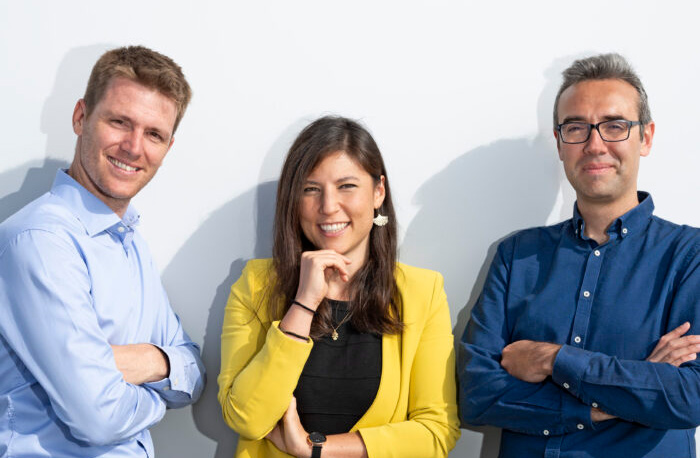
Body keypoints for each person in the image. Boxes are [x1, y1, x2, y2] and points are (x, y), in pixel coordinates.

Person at [459, 53, 700, 457]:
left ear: (646, 137)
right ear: (559, 143)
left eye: (615, 126)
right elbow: (476, 395)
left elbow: (689, 396)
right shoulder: (515, 256)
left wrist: (554, 359)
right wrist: (618, 398)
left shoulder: (690, 256)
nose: (594, 145)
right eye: (576, 128)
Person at [0, 45, 205, 457]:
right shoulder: (40, 241)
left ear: (168, 147)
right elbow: (99, 418)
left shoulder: (130, 243)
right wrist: (157, 398)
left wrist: (149, 359)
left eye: (154, 134)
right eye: (119, 122)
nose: (134, 147)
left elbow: (194, 372)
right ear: (81, 117)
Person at [218, 116, 460, 457]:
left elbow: (436, 432)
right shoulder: (256, 284)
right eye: (310, 189)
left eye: (346, 186)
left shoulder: (423, 292)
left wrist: (315, 449)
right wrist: (304, 303)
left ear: (378, 192)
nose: (328, 206)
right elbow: (245, 419)